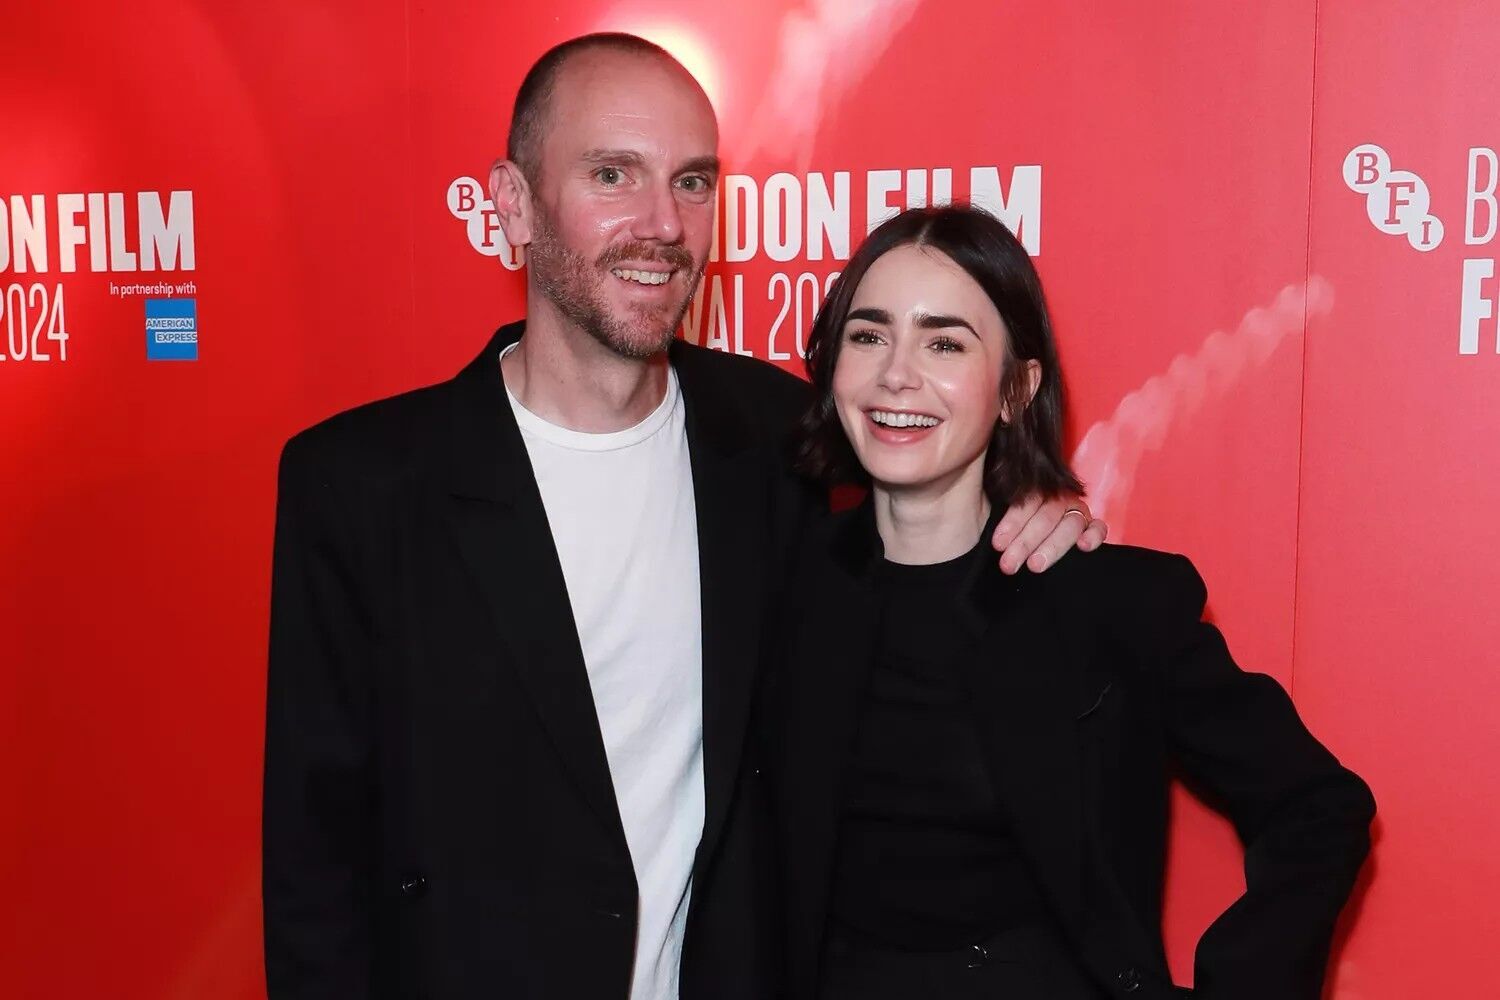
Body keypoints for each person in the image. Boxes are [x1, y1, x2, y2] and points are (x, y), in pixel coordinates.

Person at [262, 35, 1102, 1000]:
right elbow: (314, 860)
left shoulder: (782, 433)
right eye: (613, 173)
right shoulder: (363, 484)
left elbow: (930, 513)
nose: (663, 223)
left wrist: (1036, 512)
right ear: (513, 203)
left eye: (693, 182)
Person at [765, 204, 1376, 1000]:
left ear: (1017, 387)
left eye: (945, 342)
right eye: (869, 334)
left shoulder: (1111, 603)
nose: (896, 374)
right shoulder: (778, 581)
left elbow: (1319, 808)